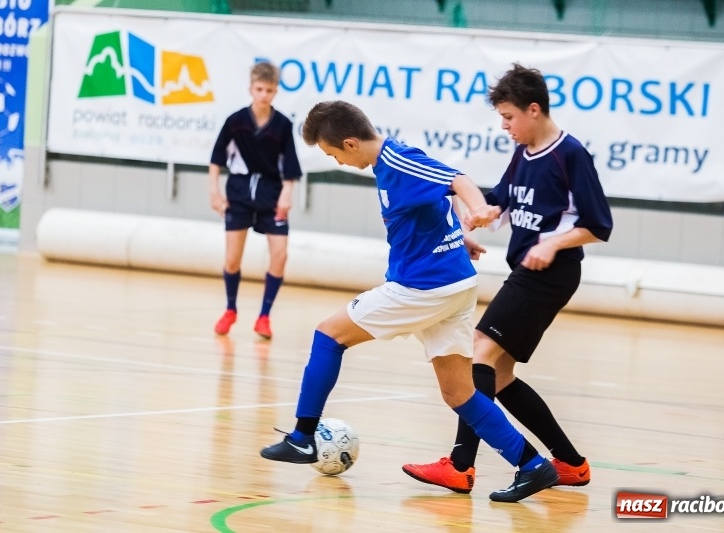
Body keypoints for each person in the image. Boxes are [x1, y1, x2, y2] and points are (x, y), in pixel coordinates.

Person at [259, 100, 562, 503]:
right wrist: (460, 233)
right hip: (450, 286)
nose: (338, 162)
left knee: (328, 335)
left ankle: (302, 437)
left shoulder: (398, 160)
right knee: (460, 393)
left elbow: (457, 180)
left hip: (422, 287)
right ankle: (533, 466)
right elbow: (437, 195)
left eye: (333, 154)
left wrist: (478, 210)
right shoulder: (392, 160)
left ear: (350, 143)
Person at [402, 63, 613, 494]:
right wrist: (475, 216)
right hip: (529, 272)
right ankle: (571, 463)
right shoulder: (524, 152)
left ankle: (461, 466)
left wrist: (553, 243)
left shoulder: (570, 154)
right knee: (497, 376)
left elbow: (600, 223)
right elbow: (503, 198)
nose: (505, 126)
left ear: (534, 110)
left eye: (509, 117)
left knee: (477, 351)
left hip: (549, 274)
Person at [209, 61, 302, 339]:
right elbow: (216, 159)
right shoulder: (235, 121)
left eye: (270, 90)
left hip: (271, 195)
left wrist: (287, 194)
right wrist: (215, 192)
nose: (264, 95)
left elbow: (291, 167)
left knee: (280, 254)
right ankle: (230, 309)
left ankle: (264, 316)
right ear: (251, 89)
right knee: (232, 258)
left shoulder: (283, 125)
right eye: (259, 89)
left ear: (276, 91)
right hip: (238, 194)